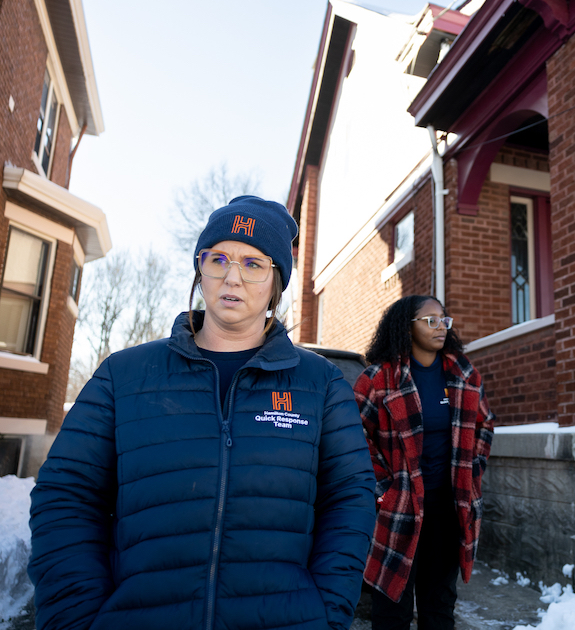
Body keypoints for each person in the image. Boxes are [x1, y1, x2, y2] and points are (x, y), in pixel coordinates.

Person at [29, 196, 376, 630]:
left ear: (276, 283)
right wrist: (75, 618)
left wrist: (325, 613)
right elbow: (66, 494)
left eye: (253, 263)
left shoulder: (320, 384)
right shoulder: (125, 374)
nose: (233, 276)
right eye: (219, 259)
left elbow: (350, 500)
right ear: (200, 269)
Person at [355, 295, 495, 630]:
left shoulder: (464, 375)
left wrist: (472, 470)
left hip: (449, 506)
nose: (440, 327)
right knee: (391, 605)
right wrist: (384, 487)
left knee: (440, 605)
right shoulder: (379, 379)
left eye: (444, 320)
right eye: (430, 320)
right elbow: (355, 436)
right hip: (398, 508)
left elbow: (484, 424)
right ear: (406, 326)